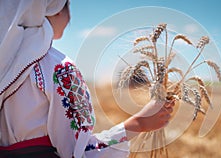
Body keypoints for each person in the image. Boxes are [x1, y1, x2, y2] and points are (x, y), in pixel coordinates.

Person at [0, 0, 174, 157]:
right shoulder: (60, 68)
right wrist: (138, 123)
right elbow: (80, 153)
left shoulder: (6, 63)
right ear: (57, 8)